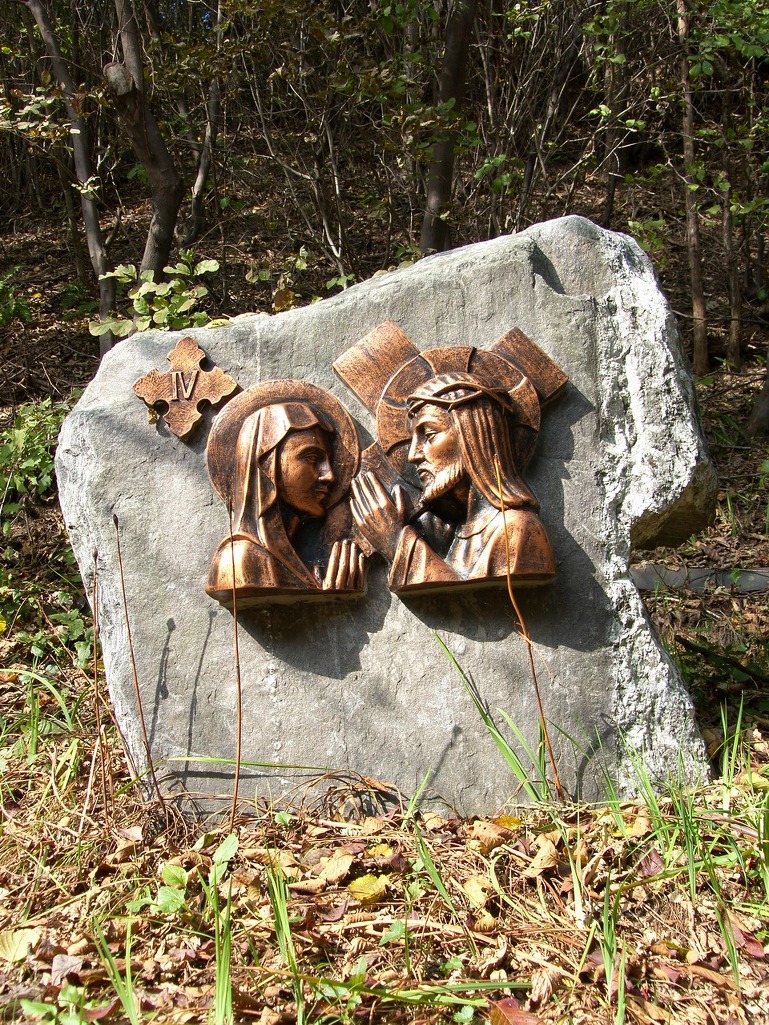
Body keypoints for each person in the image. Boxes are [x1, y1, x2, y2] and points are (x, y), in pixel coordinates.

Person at [350, 373, 555, 594]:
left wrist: (396, 541)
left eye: (429, 435)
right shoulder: (459, 531)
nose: (413, 455)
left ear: (472, 436)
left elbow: (473, 600)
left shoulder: (517, 529)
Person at [206, 401, 363, 605]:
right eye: (313, 458)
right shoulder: (241, 560)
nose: (329, 476)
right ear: (268, 464)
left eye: (329, 461)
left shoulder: (290, 558)